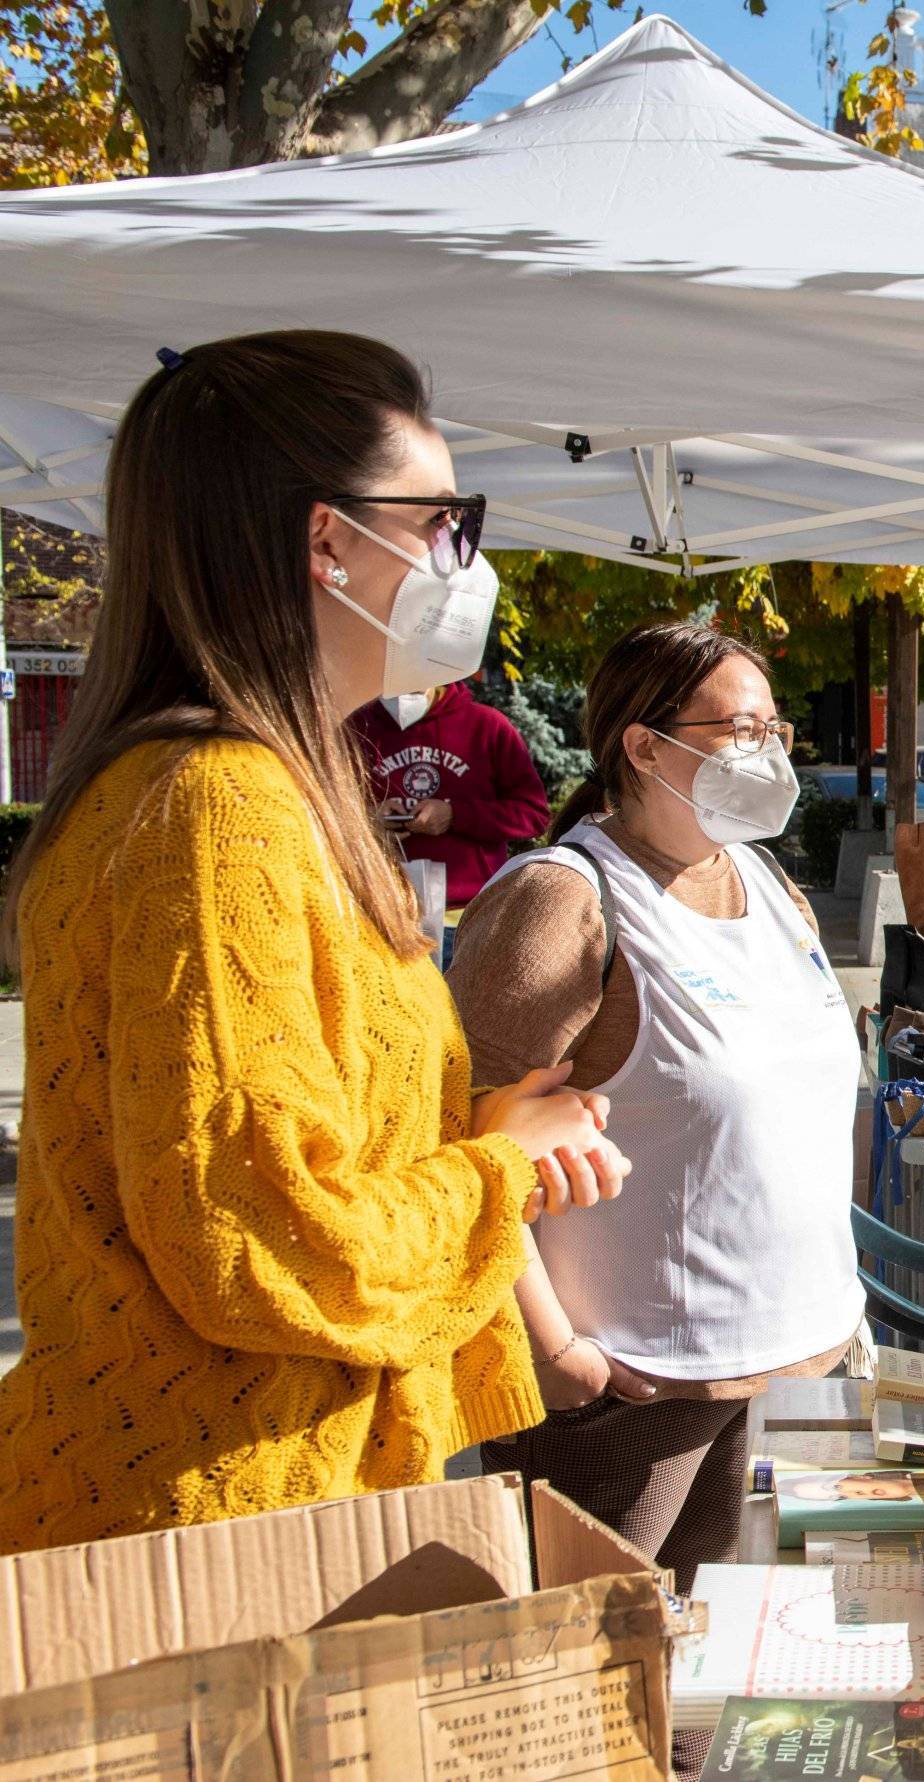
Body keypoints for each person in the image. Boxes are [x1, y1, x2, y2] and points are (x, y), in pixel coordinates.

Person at [0, 331, 625, 1554]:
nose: (465, 559)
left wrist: (485, 1128)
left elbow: (267, 1159)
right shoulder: (216, 805)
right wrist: (497, 1170)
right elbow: (261, 1244)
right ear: (327, 540)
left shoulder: (257, 787)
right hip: (217, 1531)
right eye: (446, 520)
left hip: (259, 1494)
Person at [451, 621, 864, 1591]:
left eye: (778, 732)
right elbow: (461, 1147)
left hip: (790, 1370)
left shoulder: (766, 885)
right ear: (644, 744)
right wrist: (556, 1356)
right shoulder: (563, 900)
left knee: (726, 1705)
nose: (768, 754)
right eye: (739, 730)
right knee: (597, 1686)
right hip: (635, 1398)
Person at [349, 676, 554, 908]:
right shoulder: (356, 729)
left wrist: (455, 815)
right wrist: (368, 821)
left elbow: (533, 815)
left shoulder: (486, 725)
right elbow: (323, 813)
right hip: (382, 909)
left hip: (469, 910)